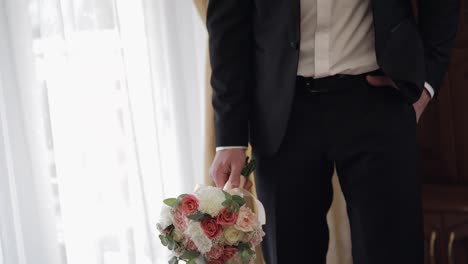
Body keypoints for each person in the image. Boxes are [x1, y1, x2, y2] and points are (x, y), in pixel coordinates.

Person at [206, 0, 459, 263]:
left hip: (378, 101)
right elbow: (227, 26)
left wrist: (426, 83)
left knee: (393, 253)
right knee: (289, 254)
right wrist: (230, 139)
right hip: (282, 112)